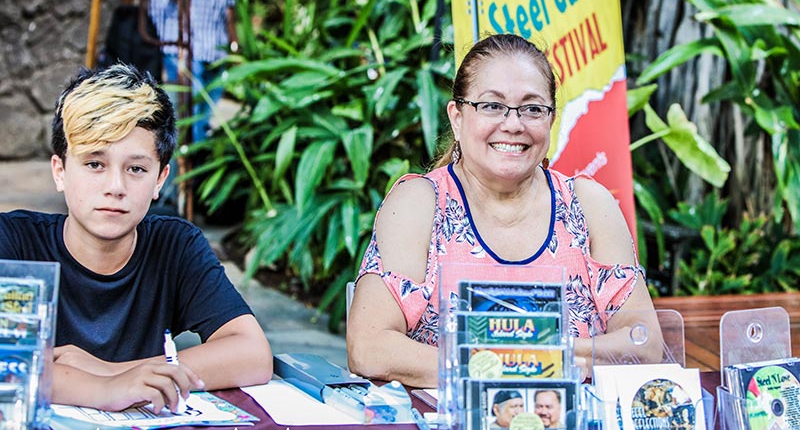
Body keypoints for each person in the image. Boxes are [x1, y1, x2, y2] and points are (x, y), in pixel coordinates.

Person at [347, 33, 662, 388]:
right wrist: (524, 364)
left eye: (533, 109)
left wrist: (542, 359)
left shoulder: (588, 205)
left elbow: (645, 341)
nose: (513, 124)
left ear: (551, 120)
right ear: (457, 117)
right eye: (492, 106)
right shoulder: (420, 204)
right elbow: (369, 347)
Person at [0, 64, 272, 412]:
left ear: (160, 179)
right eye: (95, 164)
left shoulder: (175, 246)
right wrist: (102, 389)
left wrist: (115, 373)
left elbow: (252, 354)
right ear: (60, 171)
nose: (115, 187)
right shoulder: (14, 244)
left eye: (136, 169)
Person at [149, 0, 237, 144]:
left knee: (205, 115)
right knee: (184, 114)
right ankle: (179, 157)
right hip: (182, 43)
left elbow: (229, 3)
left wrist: (234, 43)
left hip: (217, 46)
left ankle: (196, 155)